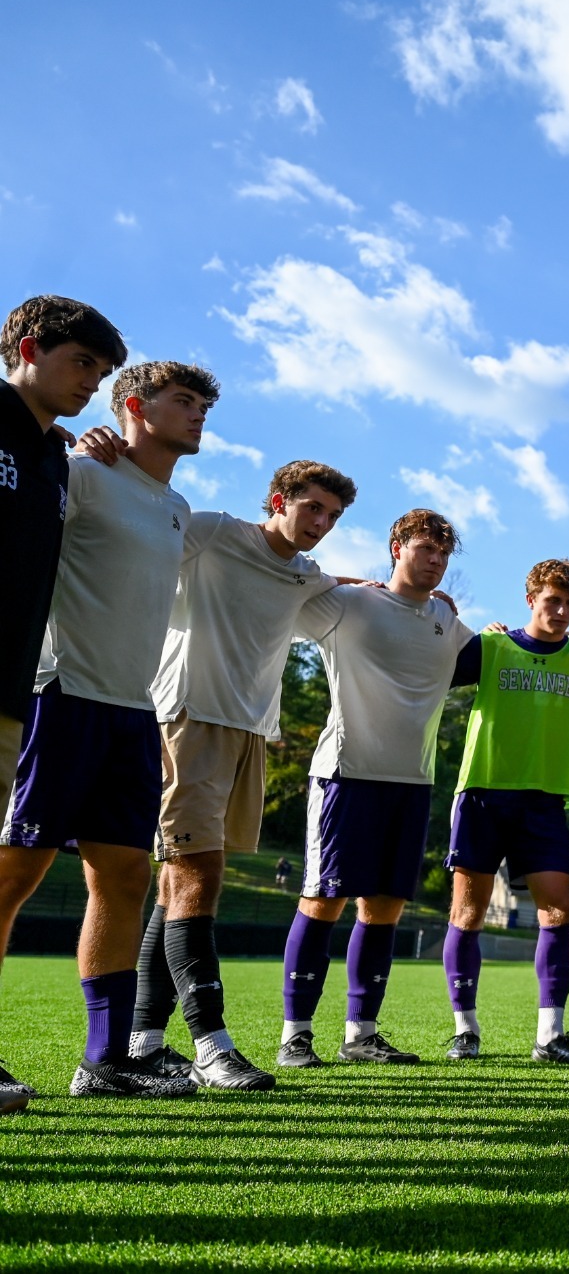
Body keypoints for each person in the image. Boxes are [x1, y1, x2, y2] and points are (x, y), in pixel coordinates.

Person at [2, 361, 212, 1100]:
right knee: (14, 874)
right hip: (61, 695)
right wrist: (70, 443)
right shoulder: (81, 471)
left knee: (124, 877)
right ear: (134, 405)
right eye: (181, 401)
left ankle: (107, 1060)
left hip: (132, 711)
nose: (197, 414)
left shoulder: (179, 506)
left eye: (201, 405)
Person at [119, 459, 358, 1093]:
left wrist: (403, 590)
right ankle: (211, 1045)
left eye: (332, 517)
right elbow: (142, 544)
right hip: (188, 716)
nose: (322, 524)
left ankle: (140, 1041)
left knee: (177, 885)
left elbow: (344, 585)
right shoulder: (216, 532)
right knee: (199, 878)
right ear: (279, 499)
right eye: (312, 508)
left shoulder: (307, 574)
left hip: (251, 731)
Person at [277, 509, 473, 1068]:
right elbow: (285, 590)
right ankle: (296, 1035)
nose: (435, 561)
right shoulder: (349, 604)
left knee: (384, 907)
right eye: (425, 549)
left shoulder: (446, 621)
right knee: (323, 899)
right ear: (396, 547)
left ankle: (361, 1035)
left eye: (443, 553)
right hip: (345, 776)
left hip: (411, 783)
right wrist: (342, 580)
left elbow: (497, 656)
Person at [0, 296, 128, 1111]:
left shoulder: (55, 457)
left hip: (9, 692)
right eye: (81, 363)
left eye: (102, 372)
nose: (91, 384)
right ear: (27, 346)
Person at [441, 558, 569, 1064]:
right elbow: (424, 670)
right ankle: (465, 1030)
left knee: (559, 911)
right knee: (468, 912)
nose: (561, 611)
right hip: (483, 793)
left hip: (545, 801)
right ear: (530, 600)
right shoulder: (491, 647)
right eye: (552, 601)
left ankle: (549, 1036)